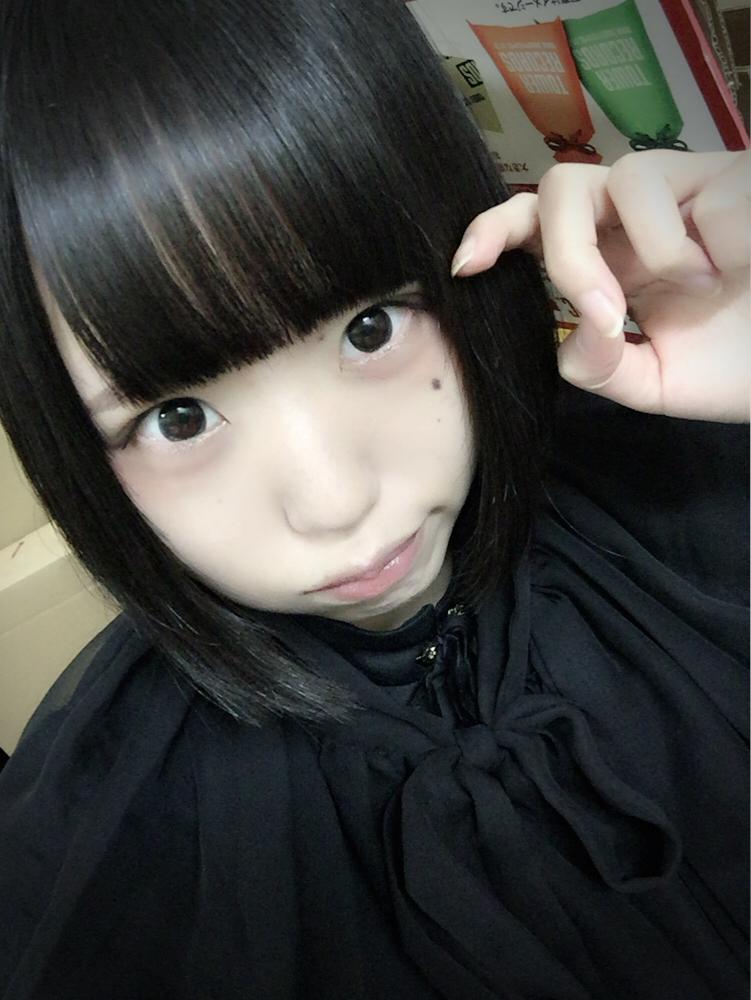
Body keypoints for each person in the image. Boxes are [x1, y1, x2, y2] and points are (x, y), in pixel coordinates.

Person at [0, 1, 747, 998]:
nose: (335, 500)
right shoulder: (106, 845)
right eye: (177, 418)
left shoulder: (682, 489)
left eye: (369, 329)